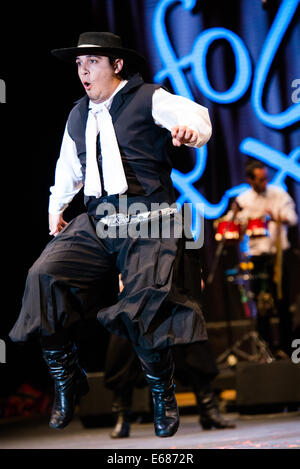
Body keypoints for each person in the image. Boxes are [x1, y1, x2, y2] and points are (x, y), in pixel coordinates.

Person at [9, 31, 212, 438]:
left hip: (148, 214)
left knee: (143, 300)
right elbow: (68, 168)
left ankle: (161, 392)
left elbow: (196, 117)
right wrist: (56, 209)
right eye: (80, 65)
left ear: (117, 65)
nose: (84, 72)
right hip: (98, 218)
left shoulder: (148, 97)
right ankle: (68, 377)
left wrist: (190, 132)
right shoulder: (77, 115)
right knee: (43, 276)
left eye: (94, 62)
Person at [232, 160, 298, 353]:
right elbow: (232, 224)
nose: (264, 183)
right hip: (257, 257)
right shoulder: (243, 200)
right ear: (250, 180)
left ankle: (286, 348)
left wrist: (275, 216)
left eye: (265, 179)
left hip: (278, 256)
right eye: (260, 180)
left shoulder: (278, 194)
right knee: (261, 305)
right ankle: (265, 349)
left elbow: (293, 218)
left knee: (282, 302)